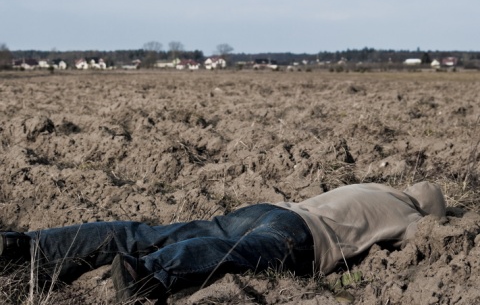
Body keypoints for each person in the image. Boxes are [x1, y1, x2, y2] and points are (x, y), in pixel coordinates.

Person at [0, 181, 446, 303]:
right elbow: (426, 242)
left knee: (150, 231)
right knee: (237, 255)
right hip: (303, 238)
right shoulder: (411, 216)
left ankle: (26, 248)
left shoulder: (374, 186)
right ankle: (148, 273)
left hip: (272, 209)